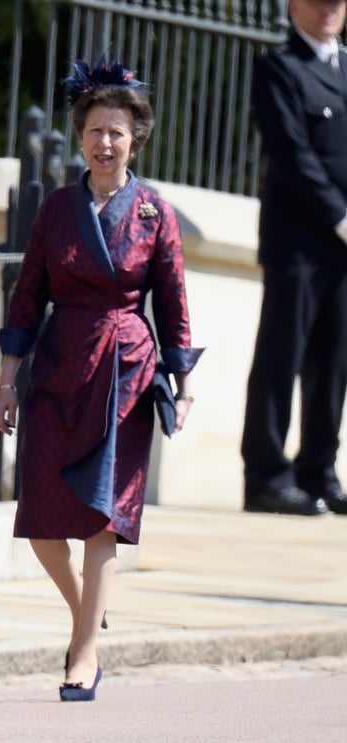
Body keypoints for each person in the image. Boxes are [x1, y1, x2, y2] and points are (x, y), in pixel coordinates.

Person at [0, 57, 202, 702]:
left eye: (117, 131)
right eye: (94, 131)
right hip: (58, 367)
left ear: (135, 138)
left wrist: (183, 383)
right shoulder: (56, 210)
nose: (105, 143)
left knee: (102, 517)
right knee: (43, 521)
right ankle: (89, 607)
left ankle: (84, 652)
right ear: (79, 138)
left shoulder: (155, 214)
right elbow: (27, 298)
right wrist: (6, 380)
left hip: (127, 372)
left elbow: (174, 303)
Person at [241, 0, 347, 517]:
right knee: (281, 358)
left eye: (337, 2)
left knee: (334, 361)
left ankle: (319, 470)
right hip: (298, 239)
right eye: (318, 0)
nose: (329, 10)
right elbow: (291, 152)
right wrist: (339, 214)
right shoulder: (278, 68)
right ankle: (265, 475)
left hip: (342, 244)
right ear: (292, 6)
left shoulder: (344, 68)